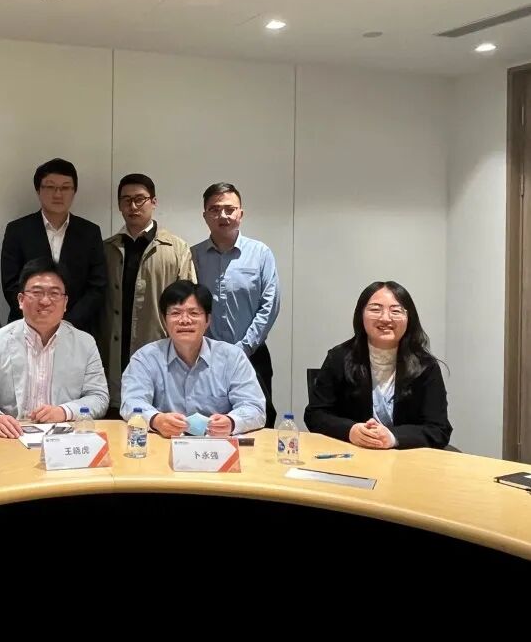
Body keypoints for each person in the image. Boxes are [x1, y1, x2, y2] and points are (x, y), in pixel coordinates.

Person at [0, 258, 109, 438]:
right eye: (37, 292)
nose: (45, 301)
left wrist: (65, 411)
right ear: (21, 300)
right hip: (10, 437)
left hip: (63, 437)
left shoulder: (85, 343)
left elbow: (98, 396)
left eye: (54, 293)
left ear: (65, 303)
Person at [304, 281, 452, 449]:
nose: (385, 318)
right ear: (361, 315)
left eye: (395, 311)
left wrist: (393, 437)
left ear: (409, 318)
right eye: (375, 309)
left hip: (405, 458)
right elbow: (315, 414)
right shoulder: (339, 358)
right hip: (350, 454)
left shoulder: (425, 366)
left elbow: (439, 429)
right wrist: (350, 430)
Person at [121, 280, 265, 437]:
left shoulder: (232, 357)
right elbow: (131, 402)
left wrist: (231, 422)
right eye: (175, 313)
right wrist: (156, 420)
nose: (185, 320)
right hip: (164, 443)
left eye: (194, 313)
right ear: (164, 320)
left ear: (208, 320)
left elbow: (254, 407)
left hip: (216, 445)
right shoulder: (145, 358)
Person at [100, 173, 195, 409]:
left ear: (153, 202)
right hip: (113, 351)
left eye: (140, 199)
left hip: (160, 349)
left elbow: (188, 305)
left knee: (156, 416)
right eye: (126, 200)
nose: (133, 206)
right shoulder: (107, 249)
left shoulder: (176, 249)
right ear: (119, 205)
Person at [191, 182, 280, 427]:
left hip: (252, 354)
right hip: (205, 358)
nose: (223, 215)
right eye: (215, 209)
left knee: (258, 421)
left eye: (229, 209)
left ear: (241, 213)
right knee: (207, 424)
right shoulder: (193, 256)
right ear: (205, 215)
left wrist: (244, 348)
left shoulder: (260, 253)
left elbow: (270, 304)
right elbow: (191, 306)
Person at [0, 158, 106, 334]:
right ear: (38, 190)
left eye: (65, 188)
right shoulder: (17, 230)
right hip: (26, 327)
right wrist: (39, 318)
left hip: (76, 329)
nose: (58, 194)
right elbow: (11, 284)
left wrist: (68, 323)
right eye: (50, 187)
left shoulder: (90, 232)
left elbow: (97, 286)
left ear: (74, 191)